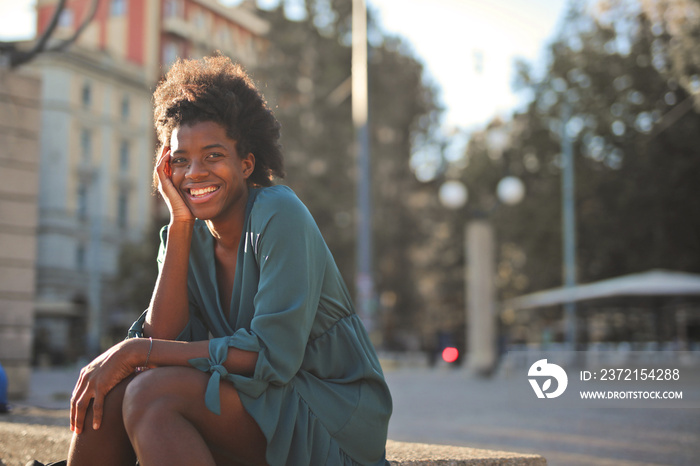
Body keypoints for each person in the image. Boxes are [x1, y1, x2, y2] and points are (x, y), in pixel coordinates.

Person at [63, 55, 392, 466]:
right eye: (180, 160)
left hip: (327, 413)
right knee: (113, 391)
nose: (194, 172)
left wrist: (134, 351)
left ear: (246, 163)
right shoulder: (183, 234)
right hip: (254, 401)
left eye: (213, 155)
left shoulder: (279, 214)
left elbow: (271, 357)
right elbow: (165, 337)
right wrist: (180, 223)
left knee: (150, 391)